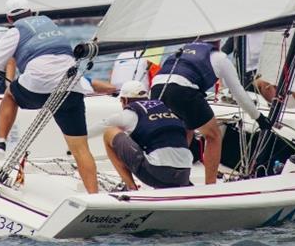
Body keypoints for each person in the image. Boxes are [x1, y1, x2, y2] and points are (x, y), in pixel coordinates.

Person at [0, 0, 98, 193]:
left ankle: (0, 143)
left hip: (38, 85)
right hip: (72, 86)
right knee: (80, 148)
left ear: (9, 19)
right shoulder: (50, 24)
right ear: (32, 13)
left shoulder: (15, 31)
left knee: (10, 94)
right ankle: (94, 196)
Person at [150, 41, 270, 185]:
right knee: (213, 136)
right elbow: (238, 93)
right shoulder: (220, 58)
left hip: (156, 88)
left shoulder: (183, 49)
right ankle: (210, 185)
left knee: (186, 130)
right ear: (218, 42)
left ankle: (177, 179)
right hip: (183, 90)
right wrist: (259, 118)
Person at [97, 80, 193, 190]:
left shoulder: (130, 113)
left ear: (124, 100)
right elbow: (189, 129)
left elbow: (94, 130)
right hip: (184, 175)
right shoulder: (167, 109)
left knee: (109, 132)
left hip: (156, 175)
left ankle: (130, 187)